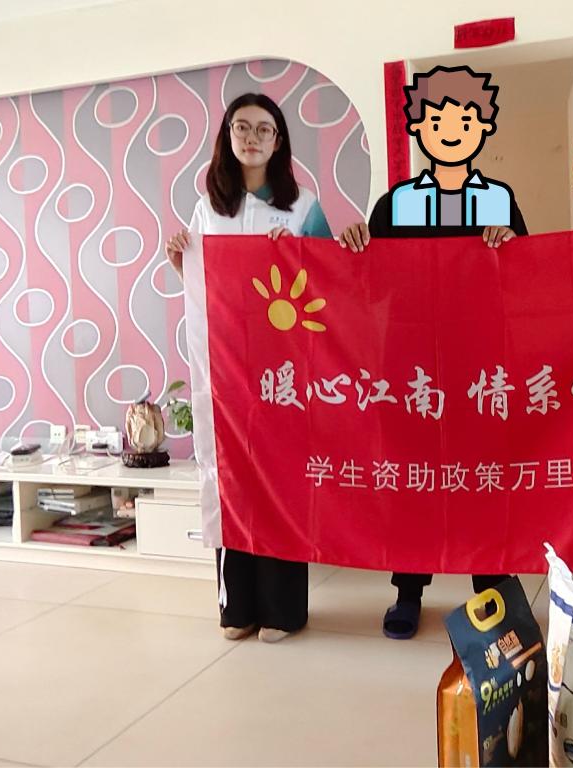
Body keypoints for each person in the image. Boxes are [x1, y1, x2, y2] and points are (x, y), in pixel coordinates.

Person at [338, 65, 528, 639]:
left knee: (483, 474)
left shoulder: (499, 201)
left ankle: (493, 590)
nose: (451, 131)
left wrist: (512, 247)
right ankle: (408, 590)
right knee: (413, 476)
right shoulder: (395, 205)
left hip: (479, 362)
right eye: (438, 121)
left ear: (482, 128)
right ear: (418, 129)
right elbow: (368, 287)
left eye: (465, 121)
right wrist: (355, 246)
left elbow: (526, 278)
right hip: (410, 363)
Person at [166, 92, 332, 642]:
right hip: (225, 368)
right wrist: (182, 261)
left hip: (284, 369)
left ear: (279, 141)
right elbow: (207, 287)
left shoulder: (302, 205)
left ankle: (284, 610)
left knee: (280, 478)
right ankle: (237, 606)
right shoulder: (208, 208)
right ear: (227, 136)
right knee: (228, 476)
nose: (252, 137)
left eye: (264, 129)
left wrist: (298, 254)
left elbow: (331, 281)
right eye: (242, 127)